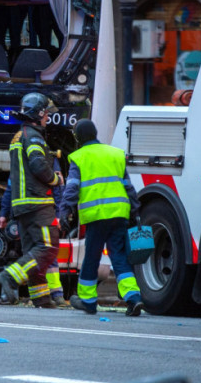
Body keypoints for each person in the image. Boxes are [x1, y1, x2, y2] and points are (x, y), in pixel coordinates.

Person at [59, 119, 144, 317]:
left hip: (97, 215)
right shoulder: (114, 154)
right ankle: (133, 298)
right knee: (120, 257)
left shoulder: (79, 157)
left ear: (78, 137)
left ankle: (88, 301)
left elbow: (72, 188)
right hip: (120, 213)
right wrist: (135, 211)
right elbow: (128, 186)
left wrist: (65, 212)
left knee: (91, 257)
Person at [0, 93, 63, 309]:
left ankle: (41, 297)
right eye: (46, 114)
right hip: (38, 204)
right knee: (48, 247)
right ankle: (10, 277)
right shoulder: (33, 137)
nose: (47, 119)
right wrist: (55, 179)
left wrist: (5, 211)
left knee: (33, 250)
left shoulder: (18, 136)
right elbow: (38, 164)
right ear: (39, 113)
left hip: (22, 205)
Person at [0, 160, 66, 306]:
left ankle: (48, 296)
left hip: (30, 213)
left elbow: (58, 190)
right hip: (37, 212)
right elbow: (10, 190)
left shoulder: (26, 161)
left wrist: (59, 214)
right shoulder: (39, 159)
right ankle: (44, 296)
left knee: (40, 251)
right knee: (43, 251)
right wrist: (3, 213)